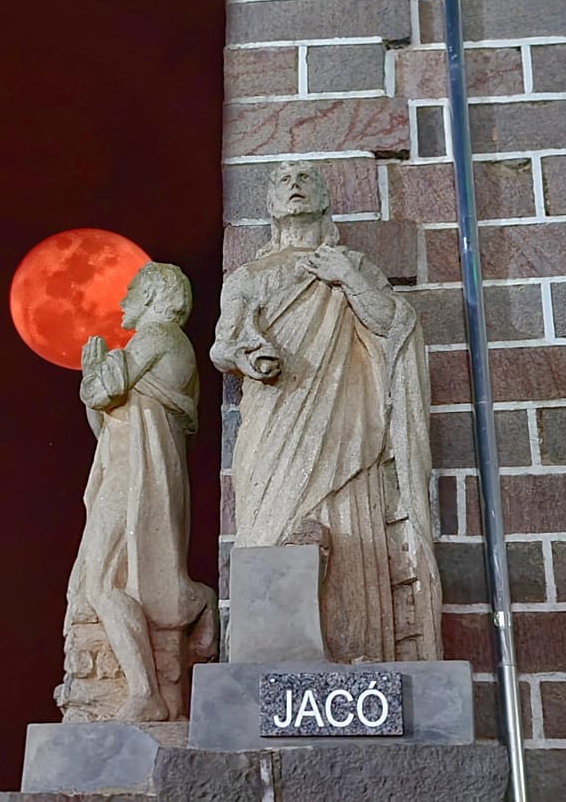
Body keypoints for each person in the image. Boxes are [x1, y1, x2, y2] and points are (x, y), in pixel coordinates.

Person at [211, 161, 442, 663]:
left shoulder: (353, 266)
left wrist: (348, 279)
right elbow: (224, 345)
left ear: (323, 199)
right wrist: (251, 355)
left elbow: (395, 325)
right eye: (283, 180)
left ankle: (358, 654)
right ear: (272, 204)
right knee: (270, 529)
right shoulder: (248, 277)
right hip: (276, 423)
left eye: (305, 179)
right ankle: (268, 660)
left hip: (347, 426)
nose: (294, 186)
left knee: (348, 527)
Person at [64, 262, 212, 721]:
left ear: (152, 297)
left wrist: (95, 377)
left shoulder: (161, 336)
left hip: (139, 477)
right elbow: (106, 417)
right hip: (128, 471)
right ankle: (200, 603)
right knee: (98, 581)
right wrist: (97, 384)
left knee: (103, 582)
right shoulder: (151, 344)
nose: (123, 300)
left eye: (131, 290)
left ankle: (146, 693)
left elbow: (106, 389)